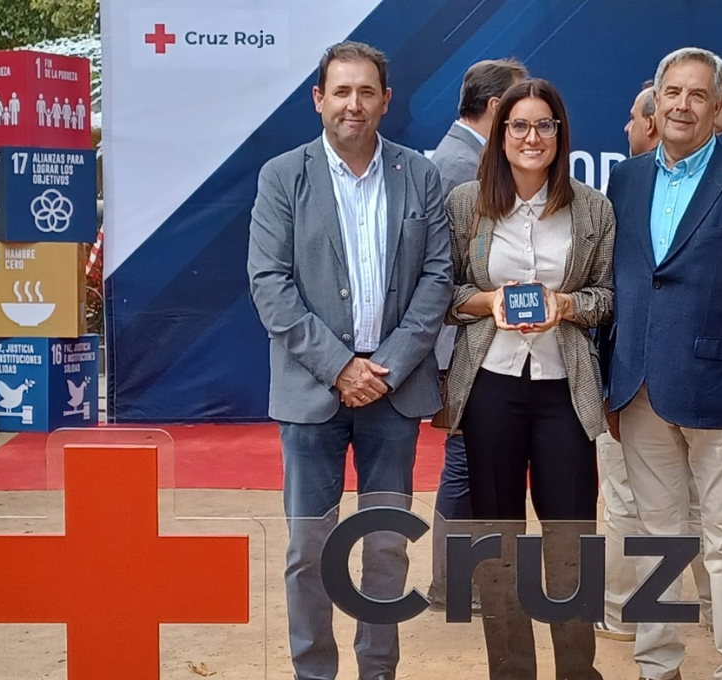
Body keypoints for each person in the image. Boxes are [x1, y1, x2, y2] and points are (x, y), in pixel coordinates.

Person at [247, 41, 453, 680]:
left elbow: (438, 279)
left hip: (394, 393)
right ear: (319, 99)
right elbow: (269, 283)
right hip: (313, 393)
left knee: (386, 545)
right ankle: (315, 672)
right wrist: (339, 367)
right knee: (309, 549)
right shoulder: (283, 177)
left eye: (367, 92)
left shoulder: (419, 174)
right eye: (341, 91)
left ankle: (378, 671)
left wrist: (383, 364)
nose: (353, 104)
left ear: (386, 101)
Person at [607, 47, 722, 680]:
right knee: (654, 535)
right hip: (638, 390)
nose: (682, 105)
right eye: (672, 93)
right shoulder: (626, 180)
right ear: (654, 103)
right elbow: (623, 285)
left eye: (697, 95)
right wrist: (611, 383)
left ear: (719, 109)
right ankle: (659, 661)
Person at [442, 77, 613, 680]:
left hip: (565, 389)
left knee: (571, 538)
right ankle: (511, 671)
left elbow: (606, 299)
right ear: (500, 132)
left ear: (560, 134)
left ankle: (576, 671)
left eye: (544, 125)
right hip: (491, 385)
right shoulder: (467, 203)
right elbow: (449, 294)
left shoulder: (592, 208)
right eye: (519, 125)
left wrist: (565, 307)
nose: (532, 137)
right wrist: (489, 302)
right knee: (497, 541)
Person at [595, 82, 714, 644]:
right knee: (667, 503)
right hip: (631, 378)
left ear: (650, 124)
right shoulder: (621, 185)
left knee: (644, 501)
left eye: (631, 118)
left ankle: (630, 610)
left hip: (692, 381)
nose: (625, 128)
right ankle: (637, 612)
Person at [427, 56, 527, 613]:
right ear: (496, 108)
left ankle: (456, 581)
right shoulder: (461, 168)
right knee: (468, 459)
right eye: (517, 109)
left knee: (471, 458)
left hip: (475, 338)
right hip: (466, 340)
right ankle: (453, 583)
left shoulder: (462, 159)